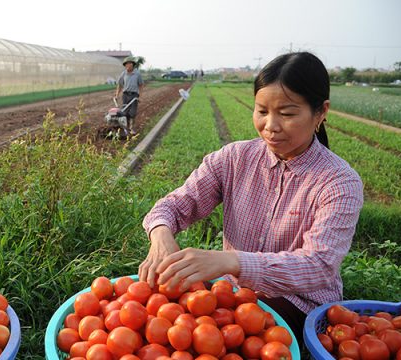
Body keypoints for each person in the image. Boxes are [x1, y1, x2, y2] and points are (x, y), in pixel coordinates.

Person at [138, 52, 363, 344]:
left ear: (321, 112)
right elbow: (174, 205)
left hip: (298, 302)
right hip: (231, 292)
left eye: (287, 113)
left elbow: (318, 264)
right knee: (172, 324)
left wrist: (232, 262)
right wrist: (160, 235)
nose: (271, 125)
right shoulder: (234, 158)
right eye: (261, 111)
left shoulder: (339, 182)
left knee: (223, 340)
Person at [115, 56, 144, 136]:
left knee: (133, 112)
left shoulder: (137, 74)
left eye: (129, 64)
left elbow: (141, 85)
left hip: (134, 95)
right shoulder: (123, 74)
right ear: (125, 65)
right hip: (125, 95)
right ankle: (125, 128)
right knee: (124, 112)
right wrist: (117, 95)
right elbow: (120, 85)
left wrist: (140, 96)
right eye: (126, 64)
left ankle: (132, 128)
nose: (128, 65)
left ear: (132, 65)